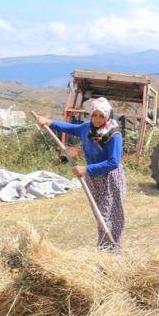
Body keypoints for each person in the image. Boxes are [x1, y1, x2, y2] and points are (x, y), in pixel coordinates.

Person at [36, 97, 126, 253]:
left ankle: (111, 250)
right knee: (100, 215)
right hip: (94, 178)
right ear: (90, 114)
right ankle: (106, 249)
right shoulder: (86, 128)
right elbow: (69, 128)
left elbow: (113, 162)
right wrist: (49, 122)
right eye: (95, 115)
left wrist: (86, 169)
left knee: (108, 214)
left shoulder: (113, 134)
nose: (97, 119)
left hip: (110, 178)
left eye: (101, 116)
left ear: (108, 116)